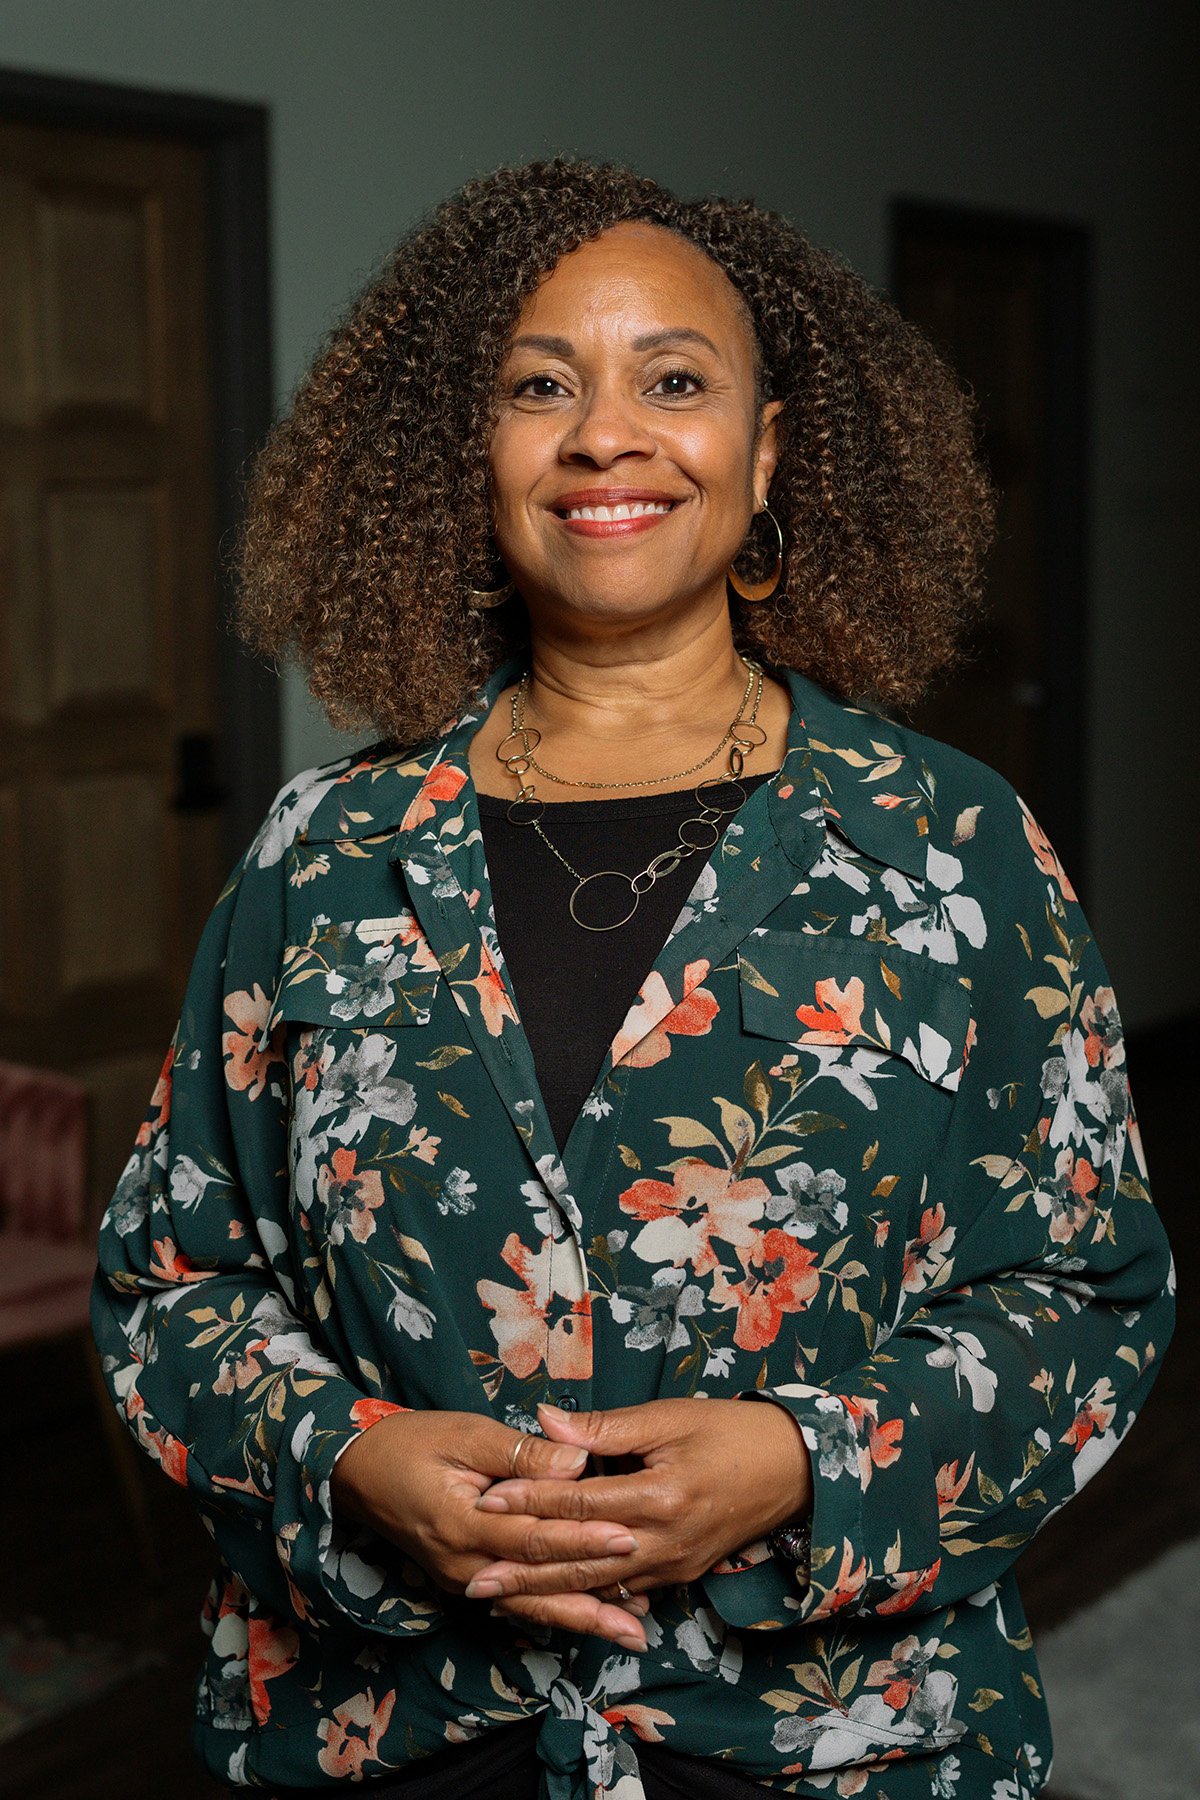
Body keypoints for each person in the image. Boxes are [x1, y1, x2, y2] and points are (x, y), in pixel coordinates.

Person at [91, 155, 1175, 1800]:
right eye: (541, 387)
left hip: (828, 1744)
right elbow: (174, 1286)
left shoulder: (951, 843)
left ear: (770, 446)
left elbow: (1083, 1297)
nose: (608, 434)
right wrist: (352, 1455)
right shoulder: (325, 849)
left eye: (675, 380)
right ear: (474, 456)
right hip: (389, 1737)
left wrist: (808, 1460)